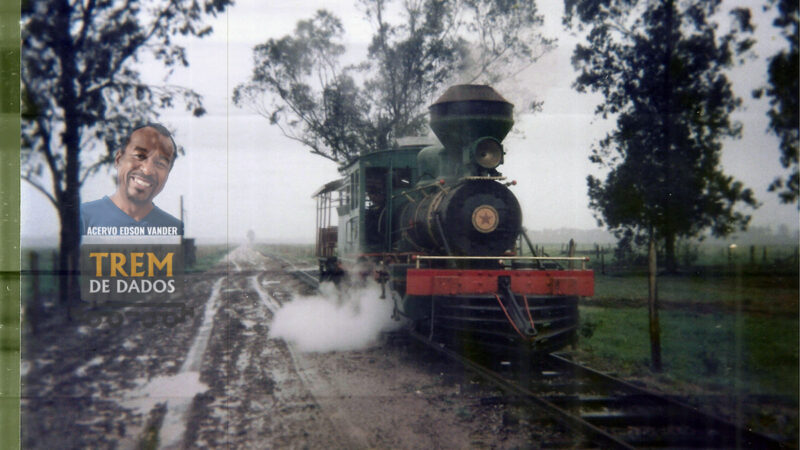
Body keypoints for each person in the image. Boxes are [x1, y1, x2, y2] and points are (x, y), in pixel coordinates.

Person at [80, 123, 183, 235]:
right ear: (118, 159)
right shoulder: (82, 217)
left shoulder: (175, 229)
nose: (147, 170)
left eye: (160, 163)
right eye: (139, 156)